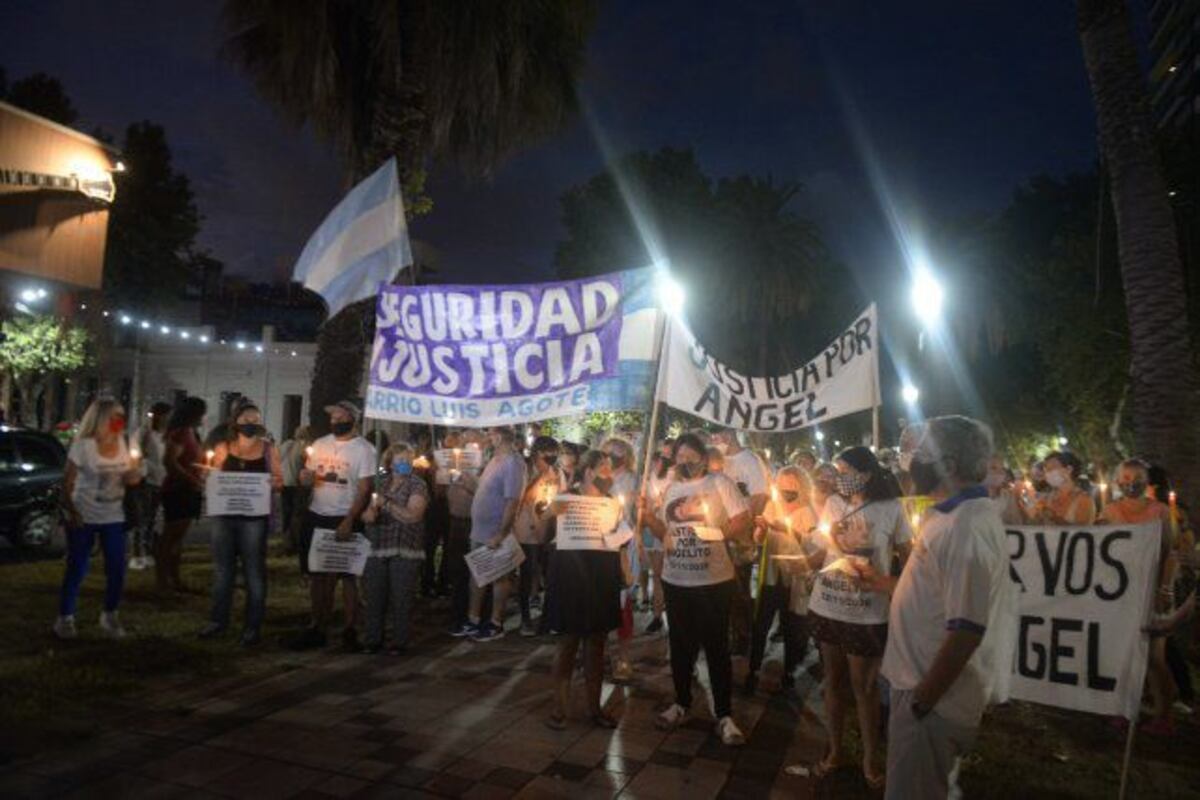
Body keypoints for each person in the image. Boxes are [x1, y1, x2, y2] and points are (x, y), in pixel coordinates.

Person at [880, 417, 1017, 799]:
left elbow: (967, 630)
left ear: (950, 465)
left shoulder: (964, 528)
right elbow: (934, 598)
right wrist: (875, 582)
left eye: (921, 454)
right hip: (921, 688)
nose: (912, 462)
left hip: (931, 698)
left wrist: (922, 701)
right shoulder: (951, 516)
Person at [808, 446, 914, 788]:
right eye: (836, 472)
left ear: (866, 474)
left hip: (867, 612)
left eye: (845, 471)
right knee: (833, 683)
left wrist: (883, 582)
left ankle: (870, 759)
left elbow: (908, 558)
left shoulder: (892, 509)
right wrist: (804, 559)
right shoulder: (834, 504)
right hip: (828, 603)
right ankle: (836, 750)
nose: (839, 478)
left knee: (864, 688)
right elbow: (824, 550)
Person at [640, 433, 752, 746]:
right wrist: (648, 516)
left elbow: (743, 518)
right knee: (681, 646)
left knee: (717, 647)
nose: (685, 462)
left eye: (691, 456)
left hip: (713, 580)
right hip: (677, 579)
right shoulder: (673, 489)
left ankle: (725, 714)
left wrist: (715, 534)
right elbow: (665, 531)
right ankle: (681, 702)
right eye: (680, 458)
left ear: (703, 457)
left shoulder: (720, 483)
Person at [542, 449, 625, 729]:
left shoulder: (612, 502)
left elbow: (619, 538)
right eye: (603, 468)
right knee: (568, 643)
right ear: (588, 471)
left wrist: (626, 527)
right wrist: (548, 512)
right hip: (570, 577)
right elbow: (543, 532)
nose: (609, 474)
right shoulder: (566, 498)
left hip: (601, 577)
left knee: (596, 645)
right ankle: (559, 708)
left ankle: (594, 708)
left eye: (610, 468)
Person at [1099, 458, 1178, 734]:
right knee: (1122, 652)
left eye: (1136, 476)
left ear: (1146, 480)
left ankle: (1164, 715)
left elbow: (1171, 553)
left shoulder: (1159, 511)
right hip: (1120, 592)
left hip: (1153, 590)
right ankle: (1122, 708)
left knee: (1154, 658)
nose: (1130, 481)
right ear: (1117, 480)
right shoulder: (1108, 510)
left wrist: (1164, 589)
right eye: (1125, 476)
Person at [55, 397, 143, 639]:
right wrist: (72, 512)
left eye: (121, 416)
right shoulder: (83, 446)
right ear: (101, 418)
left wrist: (134, 469)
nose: (120, 421)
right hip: (84, 514)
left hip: (114, 516)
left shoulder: (123, 443)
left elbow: (131, 480)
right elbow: (67, 482)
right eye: (115, 415)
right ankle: (65, 617)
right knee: (77, 567)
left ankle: (110, 614)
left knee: (116, 567)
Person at [292, 401, 376, 651]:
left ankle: (350, 629)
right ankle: (317, 625)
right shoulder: (320, 444)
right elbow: (308, 477)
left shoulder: (365, 450)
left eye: (341, 416)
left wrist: (349, 519)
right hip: (317, 514)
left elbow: (364, 489)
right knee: (318, 575)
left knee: (348, 576)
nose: (335, 421)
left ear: (353, 419)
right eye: (333, 417)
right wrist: (304, 478)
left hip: (345, 516)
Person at [200, 401, 282, 645]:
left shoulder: (268, 450)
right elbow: (211, 476)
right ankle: (218, 621)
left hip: (254, 520)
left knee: (254, 572)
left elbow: (279, 481)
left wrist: (272, 484)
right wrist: (206, 477)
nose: (251, 424)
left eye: (256, 420)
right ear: (235, 423)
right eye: (247, 420)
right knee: (223, 571)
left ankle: (252, 626)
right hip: (224, 518)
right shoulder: (224, 448)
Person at [745, 466, 818, 694]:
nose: (787, 490)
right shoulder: (771, 506)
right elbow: (759, 539)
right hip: (770, 575)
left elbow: (814, 544)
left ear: (801, 486)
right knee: (761, 625)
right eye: (783, 484)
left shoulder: (807, 512)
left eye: (792, 485)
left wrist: (788, 530)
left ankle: (788, 671)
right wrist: (761, 530)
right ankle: (753, 669)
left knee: (791, 628)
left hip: (793, 578)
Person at [359, 442, 430, 655]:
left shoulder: (417, 485)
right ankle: (373, 640)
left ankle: (399, 641)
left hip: (404, 548)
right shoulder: (381, 484)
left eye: (408, 460)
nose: (405, 464)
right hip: (378, 545)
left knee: (401, 598)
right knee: (375, 597)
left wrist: (388, 505)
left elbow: (413, 515)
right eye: (400, 460)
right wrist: (370, 514)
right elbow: (367, 514)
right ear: (389, 463)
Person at [464, 426, 527, 641]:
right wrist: (466, 480)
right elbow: (484, 489)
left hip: (495, 532)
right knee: (478, 574)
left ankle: (495, 622)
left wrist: (502, 532)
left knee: (500, 577)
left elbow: (512, 501)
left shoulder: (512, 463)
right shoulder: (494, 460)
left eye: (490, 434)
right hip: (480, 530)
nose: (487, 438)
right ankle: (473, 619)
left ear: (499, 437)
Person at [158, 397, 207, 594]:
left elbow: (187, 459)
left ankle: (174, 578)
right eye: (202, 413)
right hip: (178, 490)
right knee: (170, 537)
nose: (203, 417)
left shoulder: (190, 433)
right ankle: (162, 582)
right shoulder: (181, 433)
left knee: (178, 537)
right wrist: (191, 478)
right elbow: (170, 461)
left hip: (188, 488)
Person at [516, 436, 561, 636]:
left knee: (548, 574)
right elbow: (520, 497)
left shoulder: (557, 472)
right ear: (536, 453)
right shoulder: (525, 469)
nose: (551, 458)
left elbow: (561, 496)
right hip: (526, 529)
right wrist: (539, 478)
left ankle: (548, 618)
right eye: (546, 454)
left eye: (554, 454)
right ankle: (525, 618)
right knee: (527, 573)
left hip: (548, 529)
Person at [602, 437, 639, 680]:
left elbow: (634, 515)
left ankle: (623, 659)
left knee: (622, 604)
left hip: (622, 547)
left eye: (614, 453)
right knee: (599, 605)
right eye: (606, 453)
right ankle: (602, 653)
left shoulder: (633, 480)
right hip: (597, 548)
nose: (610, 457)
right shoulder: (597, 479)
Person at [127, 401, 171, 570]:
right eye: (166, 415)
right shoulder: (144, 432)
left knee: (152, 519)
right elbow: (135, 454)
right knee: (141, 518)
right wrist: (140, 467)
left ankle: (149, 552)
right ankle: (137, 554)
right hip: (145, 480)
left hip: (161, 479)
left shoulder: (166, 434)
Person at [446, 431, 481, 635]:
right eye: (465, 442)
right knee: (458, 573)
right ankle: (458, 617)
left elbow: (482, 492)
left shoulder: (484, 469)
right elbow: (441, 491)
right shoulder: (453, 466)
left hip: (474, 524)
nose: (468, 446)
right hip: (455, 523)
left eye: (472, 443)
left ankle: (475, 616)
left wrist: (468, 480)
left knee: (476, 572)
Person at [639, 448, 672, 633]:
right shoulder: (647, 477)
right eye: (652, 461)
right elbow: (645, 500)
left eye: (658, 461)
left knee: (666, 575)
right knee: (656, 574)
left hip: (667, 528)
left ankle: (664, 612)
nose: (654, 464)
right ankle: (657, 613)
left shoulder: (673, 476)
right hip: (651, 528)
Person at [1023, 451, 1095, 525]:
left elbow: (1081, 533)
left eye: (1052, 468)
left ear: (1068, 469)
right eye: (1046, 470)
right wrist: (1031, 510)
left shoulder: (1084, 500)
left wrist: (1053, 517)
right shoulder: (1047, 499)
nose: (1047, 473)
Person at [278, 425, 313, 555]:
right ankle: (293, 542)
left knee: (287, 514)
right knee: (297, 514)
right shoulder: (305, 446)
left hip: (285, 483)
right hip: (297, 485)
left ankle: (287, 541)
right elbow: (309, 462)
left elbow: (278, 458)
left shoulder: (286, 445)